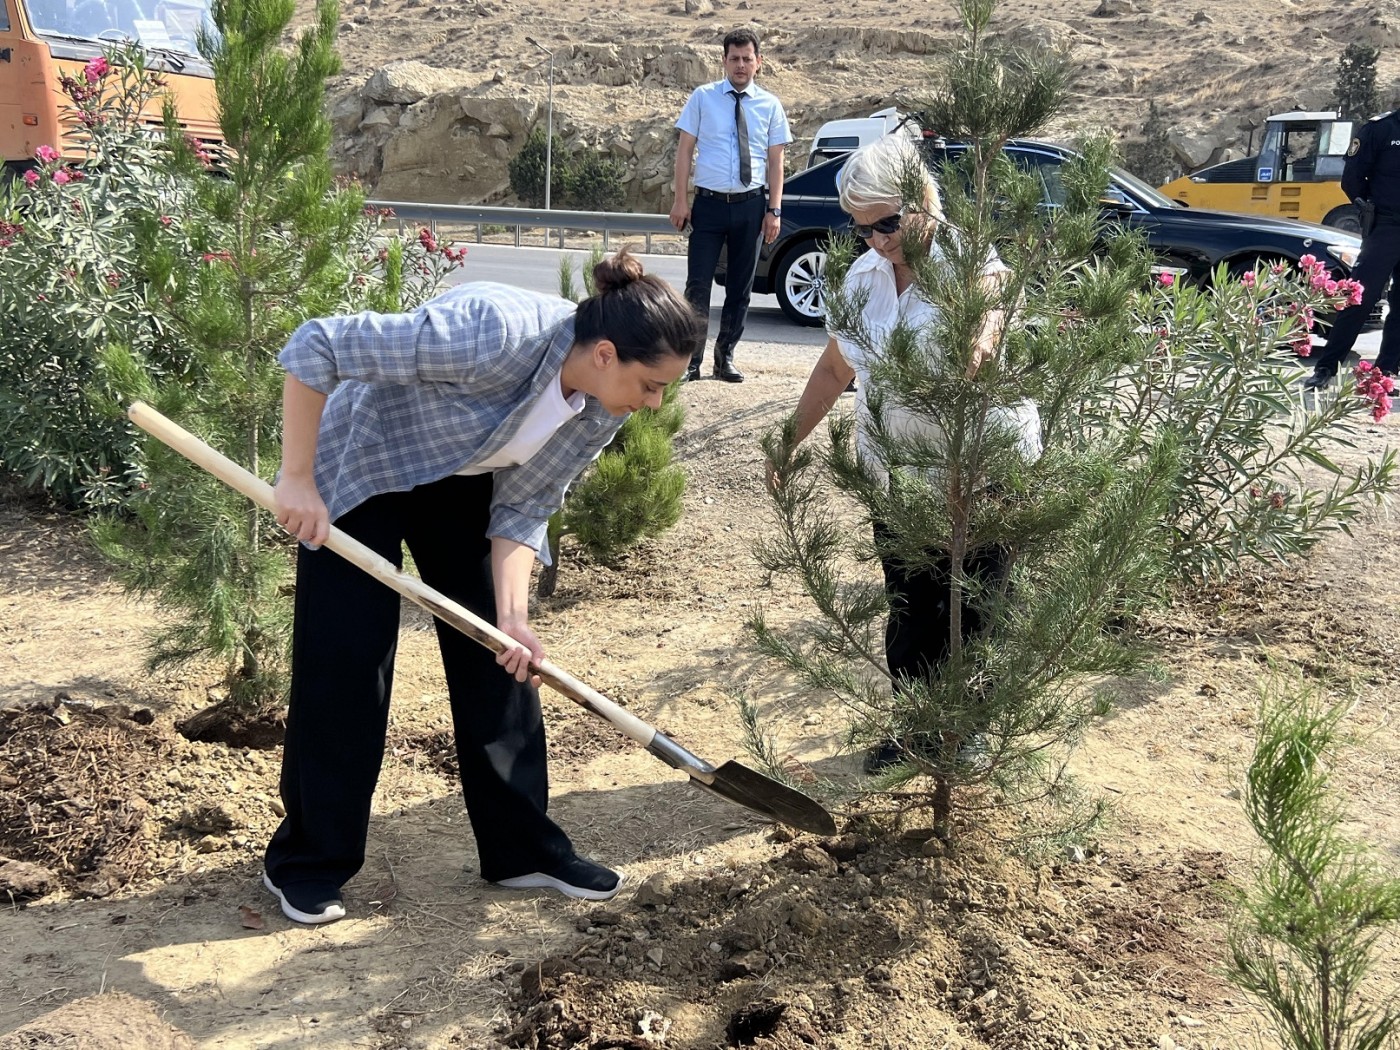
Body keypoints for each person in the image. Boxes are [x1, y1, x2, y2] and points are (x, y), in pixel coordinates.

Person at [264, 250, 704, 924]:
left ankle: (520, 849)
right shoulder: (495, 332)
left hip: (461, 475)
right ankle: (307, 861)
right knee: (349, 664)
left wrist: (513, 616)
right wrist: (296, 478)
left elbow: (525, 507)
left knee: (500, 659)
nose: (653, 404)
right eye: (650, 384)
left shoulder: (599, 406)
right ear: (607, 354)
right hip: (364, 462)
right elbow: (317, 345)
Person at [774, 135, 1040, 773]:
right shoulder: (863, 276)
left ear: (924, 198)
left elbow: (992, 311)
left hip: (976, 475)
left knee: (971, 609)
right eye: (862, 228)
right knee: (909, 612)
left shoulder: (975, 266)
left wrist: (980, 338)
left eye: (888, 223)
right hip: (895, 477)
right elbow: (837, 366)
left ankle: (964, 734)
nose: (877, 240)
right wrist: (787, 440)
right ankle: (916, 724)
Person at [669, 27, 792, 384]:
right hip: (708, 206)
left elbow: (776, 162)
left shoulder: (770, 105)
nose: (740, 65)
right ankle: (690, 362)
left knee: (740, 288)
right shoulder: (702, 98)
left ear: (758, 62)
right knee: (697, 286)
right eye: (734, 58)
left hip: (751, 207)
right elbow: (684, 151)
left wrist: (775, 210)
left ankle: (726, 359)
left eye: (747, 58)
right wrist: (680, 200)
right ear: (724, 61)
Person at [1302, 109, 1400, 390]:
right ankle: (1326, 369)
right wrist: (1372, 207)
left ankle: (1385, 374)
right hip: (1386, 227)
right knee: (1358, 300)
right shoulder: (1381, 129)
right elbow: (1352, 179)